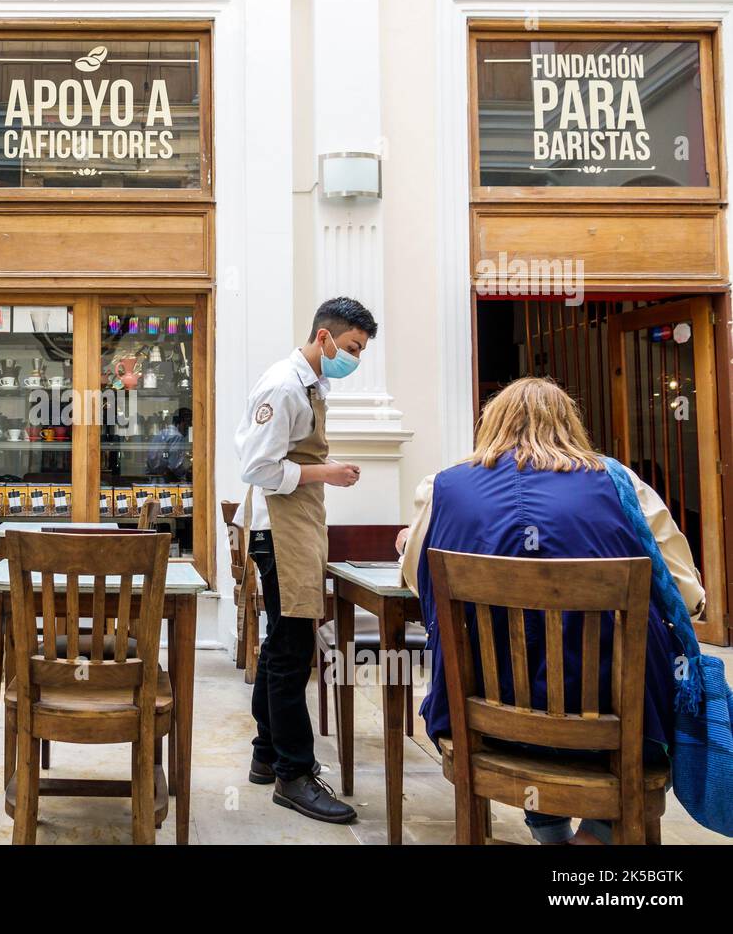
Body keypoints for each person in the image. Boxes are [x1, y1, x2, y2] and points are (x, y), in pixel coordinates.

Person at [397, 377, 703, 845]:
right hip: (619, 726)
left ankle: (551, 831)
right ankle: (596, 833)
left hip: (483, 721)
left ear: (491, 424)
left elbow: (421, 583)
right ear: (570, 424)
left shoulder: (443, 487)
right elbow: (686, 596)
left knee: (509, 667)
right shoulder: (623, 485)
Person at [234, 296, 377, 823]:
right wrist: (327, 473)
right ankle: (295, 775)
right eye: (353, 347)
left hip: (297, 524)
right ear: (324, 338)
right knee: (294, 651)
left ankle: (267, 753)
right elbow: (257, 467)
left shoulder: (313, 382)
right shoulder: (283, 385)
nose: (355, 358)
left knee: (280, 645)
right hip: (281, 529)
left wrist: (323, 470)